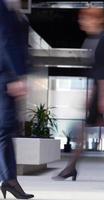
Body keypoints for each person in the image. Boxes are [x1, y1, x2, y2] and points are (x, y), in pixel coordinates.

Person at [52, 7, 104, 181]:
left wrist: (99, 97)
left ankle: (71, 168)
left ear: (96, 19)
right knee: (97, 132)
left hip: (96, 89)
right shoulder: (95, 39)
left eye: (84, 18)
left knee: (88, 132)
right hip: (93, 88)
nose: (81, 22)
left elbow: (101, 71)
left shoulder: (103, 39)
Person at [0, 0, 34, 199]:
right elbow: (5, 41)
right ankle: (9, 179)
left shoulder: (14, 10)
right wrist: (15, 77)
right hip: (6, 77)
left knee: (8, 129)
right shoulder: (3, 8)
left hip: (11, 77)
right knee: (4, 130)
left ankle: (10, 179)